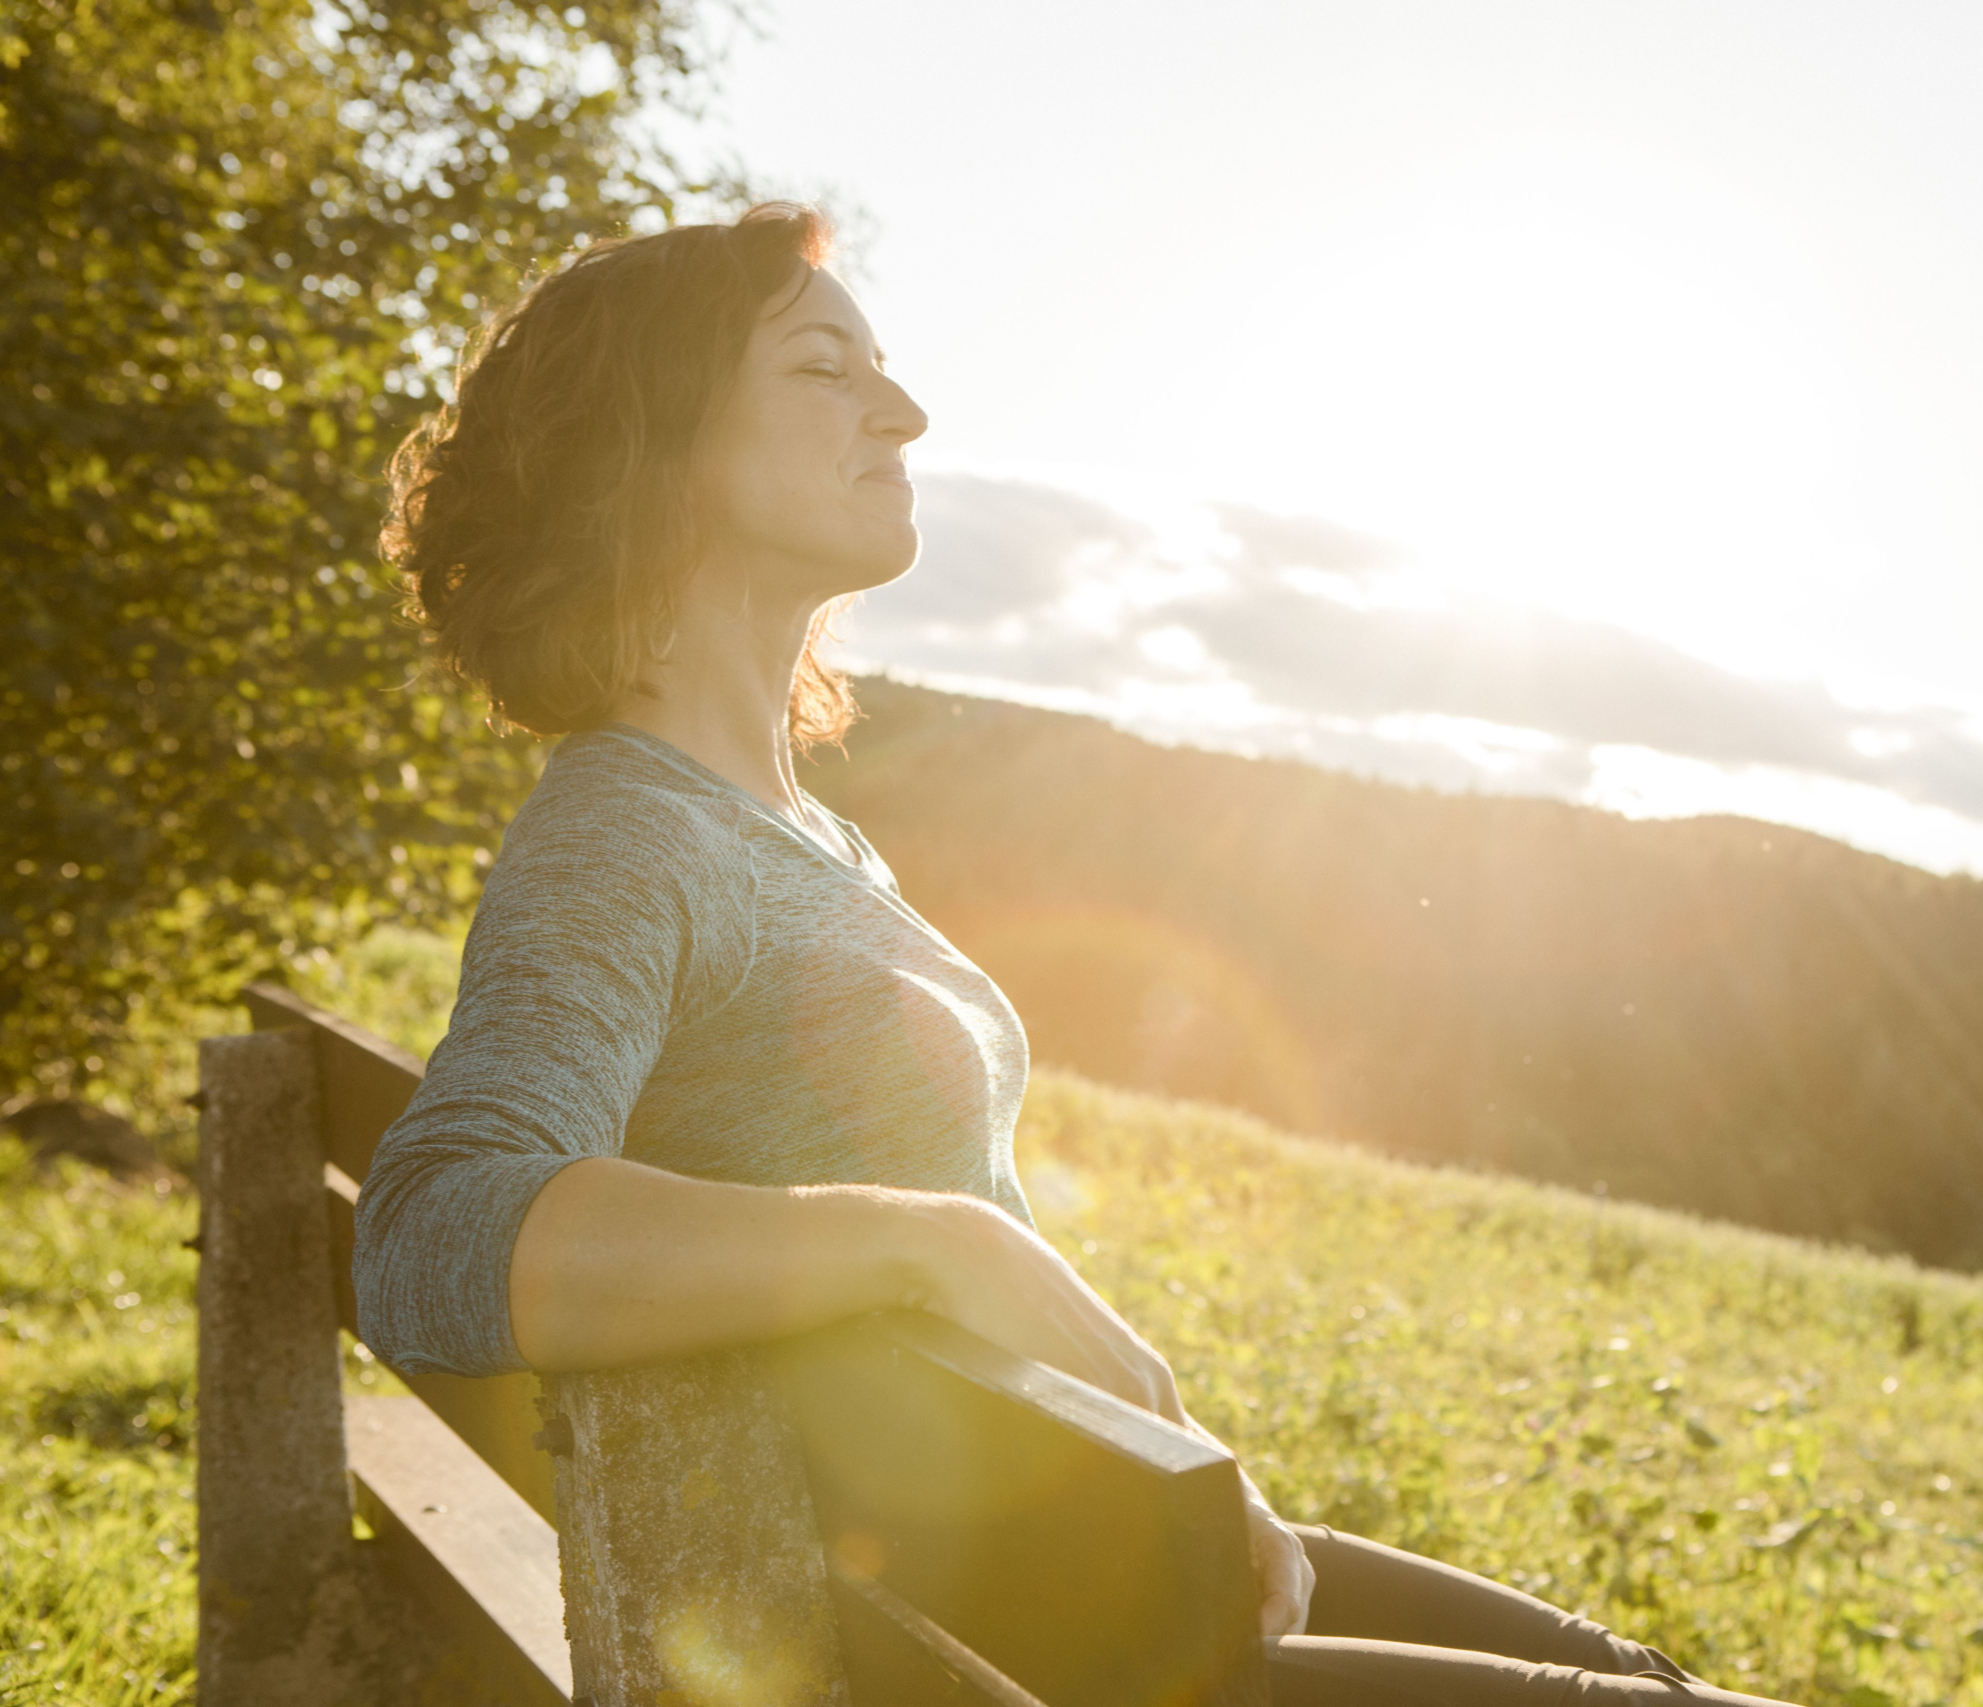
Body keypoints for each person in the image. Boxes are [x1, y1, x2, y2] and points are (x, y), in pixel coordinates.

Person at [356, 202, 1785, 1707]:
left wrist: (1151, 1451)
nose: (903, 411)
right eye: (825, 370)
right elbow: (431, 1232)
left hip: (1043, 1572)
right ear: (652, 440)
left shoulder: (800, 833)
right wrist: (929, 1241)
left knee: (1636, 1674)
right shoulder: (624, 833)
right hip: (985, 1645)